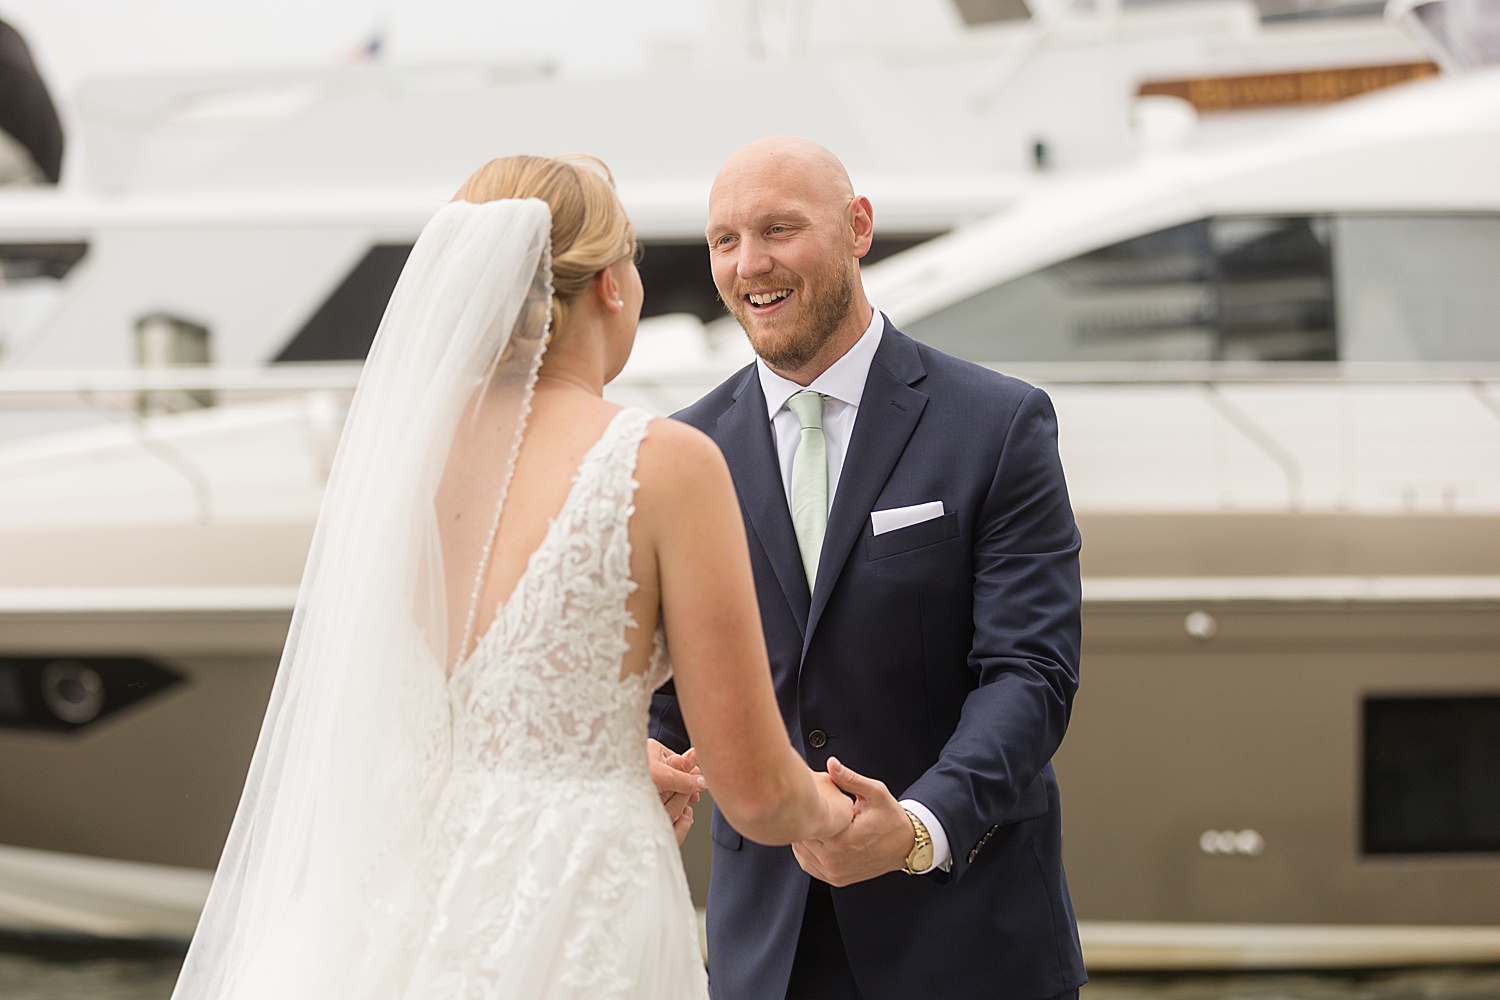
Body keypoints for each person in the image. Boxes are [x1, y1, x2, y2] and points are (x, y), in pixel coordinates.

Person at [170, 154, 852, 1000]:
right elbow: (756, 794)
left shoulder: (390, 468)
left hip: (391, 901)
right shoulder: (665, 463)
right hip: (576, 906)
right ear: (610, 284)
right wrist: (848, 817)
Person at [649, 136, 1088, 1000]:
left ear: (858, 229)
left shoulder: (999, 425)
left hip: (970, 939)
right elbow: (669, 693)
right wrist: (648, 759)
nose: (750, 265)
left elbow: (1031, 673)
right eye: (725, 241)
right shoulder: (681, 452)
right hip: (765, 955)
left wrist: (920, 826)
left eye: (779, 229)